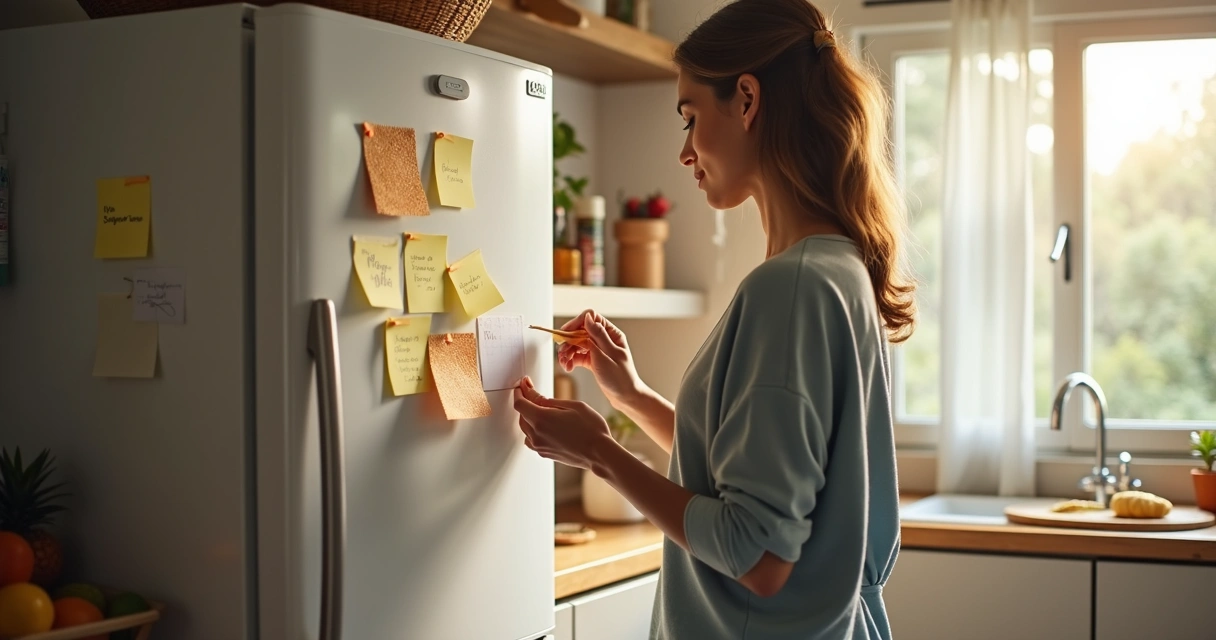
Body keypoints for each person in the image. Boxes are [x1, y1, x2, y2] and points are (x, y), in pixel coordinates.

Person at [513, 0, 916, 637]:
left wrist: (600, 453)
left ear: (748, 100)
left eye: (690, 117)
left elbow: (755, 553)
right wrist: (635, 397)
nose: (685, 151)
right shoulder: (833, 269)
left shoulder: (792, 288)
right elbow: (753, 483)